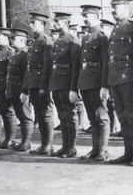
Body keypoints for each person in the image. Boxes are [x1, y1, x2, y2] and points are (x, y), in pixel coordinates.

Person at [107, 0, 133, 167]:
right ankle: (127, 152)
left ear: (125, 8)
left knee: (132, 115)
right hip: (115, 78)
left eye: (116, 7)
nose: (113, 10)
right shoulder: (115, 28)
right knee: (122, 116)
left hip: (129, 78)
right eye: (112, 7)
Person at [78, 5, 111, 161]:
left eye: (88, 16)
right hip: (86, 81)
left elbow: (105, 63)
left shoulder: (102, 37)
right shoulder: (85, 38)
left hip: (97, 81)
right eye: (84, 16)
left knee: (101, 116)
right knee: (92, 118)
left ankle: (103, 150)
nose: (85, 19)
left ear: (96, 17)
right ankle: (95, 149)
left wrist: (104, 85)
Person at [21, 12, 55, 155]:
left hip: (42, 84)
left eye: (33, 23)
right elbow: (29, 67)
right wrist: (26, 88)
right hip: (33, 83)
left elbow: (47, 66)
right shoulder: (34, 41)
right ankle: (43, 144)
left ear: (42, 24)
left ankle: (48, 145)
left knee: (46, 113)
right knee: (39, 114)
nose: (30, 25)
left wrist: (43, 86)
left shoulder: (46, 41)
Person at [49, 12, 81, 158]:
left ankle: (72, 148)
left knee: (70, 115)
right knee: (62, 116)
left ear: (66, 23)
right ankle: (65, 146)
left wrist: (73, 89)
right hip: (57, 83)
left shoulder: (72, 41)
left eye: (58, 22)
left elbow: (75, 67)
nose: (55, 24)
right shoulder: (58, 41)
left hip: (67, 83)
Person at [8, 29, 35, 152]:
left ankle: (26, 142)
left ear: (22, 40)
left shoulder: (25, 54)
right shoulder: (15, 53)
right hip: (14, 88)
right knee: (20, 115)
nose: (11, 40)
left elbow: (27, 74)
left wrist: (26, 91)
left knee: (25, 116)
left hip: (21, 89)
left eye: (14, 38)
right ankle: (23, 141)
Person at [0, 27, 17, 149]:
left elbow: (10, 73)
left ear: (6, 38)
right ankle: (7, 138)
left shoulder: (10, 52)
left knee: (9, 113)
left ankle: (10, 139)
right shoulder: (0, 52)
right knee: (3, 112)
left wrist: (8, 88)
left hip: (5, 87)